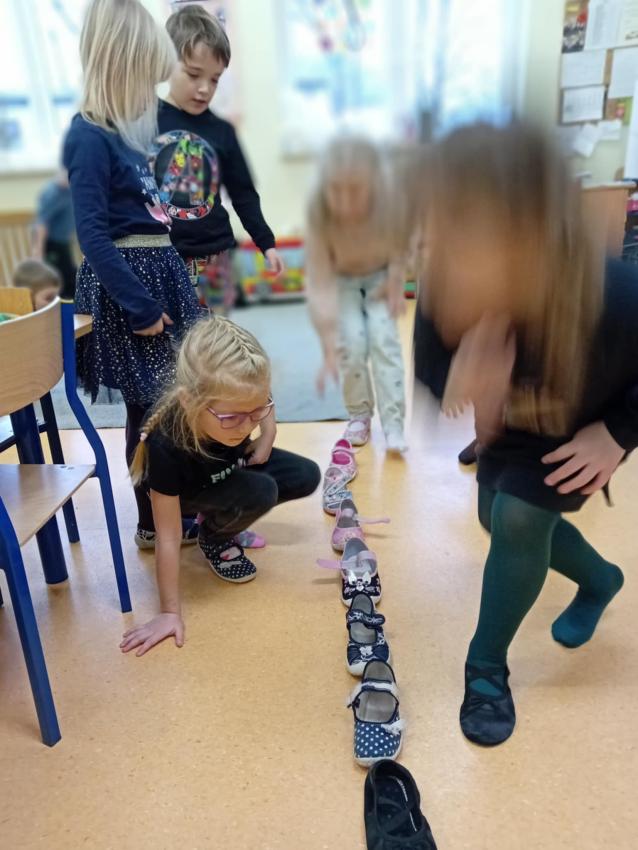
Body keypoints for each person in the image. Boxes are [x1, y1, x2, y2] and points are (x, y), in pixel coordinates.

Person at [414, 122, 638, 746]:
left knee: (518, 519)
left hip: (584, 429)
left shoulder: (617, 298)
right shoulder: (447, 285)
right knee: (493, 513)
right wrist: (459, 378)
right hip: (511, 428)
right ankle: (600, 579)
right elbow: (430, 366)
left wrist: (617, 434)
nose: (449, 264)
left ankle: (486, 668)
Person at [63, 0, 202, 549]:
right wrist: (140, 305)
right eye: (147, 81)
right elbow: (93, 236)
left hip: (159, 276)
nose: (152, 94)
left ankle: (175, 503)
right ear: (121, 70)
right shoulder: (88, 136)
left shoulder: (129, 136)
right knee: (150, 407)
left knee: (177, 396)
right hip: (131, 292)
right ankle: (151, 519)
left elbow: (151, 216)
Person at [121, 315, 320, 656]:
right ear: (189, 401)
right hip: (186, 495)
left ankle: (224, 516)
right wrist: (169, 613)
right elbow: (168, 536)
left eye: (256, 411)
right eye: (232, 417)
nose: (245, 427)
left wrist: (268, 432)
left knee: (306, 475)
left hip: (224, 468)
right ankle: (213, 536)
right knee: (262, 492)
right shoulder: (165, 444)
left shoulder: (236, 409)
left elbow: (259, 395)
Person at [150, 3, 284, 313]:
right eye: (193, 74)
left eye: (214, 80)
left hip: (216, 256)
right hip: (165, 257)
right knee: (175, 338)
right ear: (167, 63)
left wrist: (266, 243)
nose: (204, 89)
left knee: (217, 336)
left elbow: (244, 194)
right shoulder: (145, 123)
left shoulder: (222, 131)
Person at [305, 135, 408, 453]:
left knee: (384, 342)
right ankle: (359, 414)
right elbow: (319, 278)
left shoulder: (391, 201)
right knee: (349, 344)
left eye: (356, 190)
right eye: (336, 190)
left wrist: (396, 282)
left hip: (380, 277)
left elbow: (402, 245)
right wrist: (327, 339)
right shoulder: (319, 209)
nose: (345, 203)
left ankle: (393, 424)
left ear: (375, 184)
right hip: (342, 280)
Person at [32, 168, 77, 300]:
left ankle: (71, 305)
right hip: (51, 244)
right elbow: (41, 223)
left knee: (71, 278)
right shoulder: (52, 193)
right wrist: (38, 252)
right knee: (59, 281)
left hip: (63, 243)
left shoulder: (69, 191)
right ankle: (62, 307)